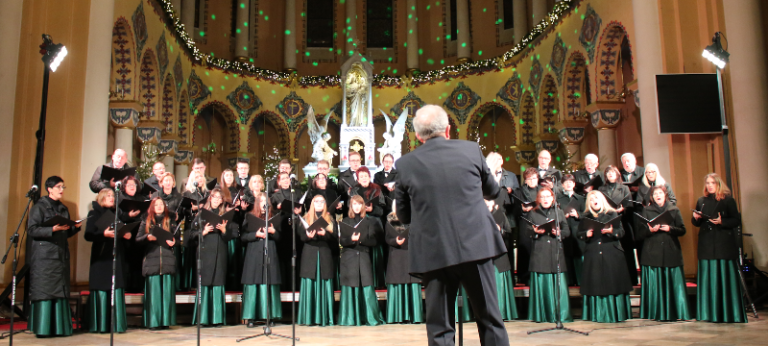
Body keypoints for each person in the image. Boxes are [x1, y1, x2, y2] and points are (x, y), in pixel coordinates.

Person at [395, 105, 509, 346]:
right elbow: (493, 190)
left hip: (434, 251)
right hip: (476, 245)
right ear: (448, 129)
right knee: (489, 318)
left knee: (439, 327)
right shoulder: (470, 149)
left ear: (418, 136)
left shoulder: (406, 164)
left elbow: (404, 216)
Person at [27, 176, 82, 337]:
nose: (61, 190)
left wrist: (74, 227)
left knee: (60, 290)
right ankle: (44, 328)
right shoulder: (39, 207)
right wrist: (52, 229)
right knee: (45, 290)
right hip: (44, 256)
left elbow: (65, 232)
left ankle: (60, 327)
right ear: (49, 189)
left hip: (60, 255)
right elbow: (32, 230)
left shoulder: (63, 208)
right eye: (58, 187)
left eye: (63, 187)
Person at [692, 173, 747, 323]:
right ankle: (708, 314)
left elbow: (736, 220)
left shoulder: (728, 200)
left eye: (713, 183)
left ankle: (728, 313)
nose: (710, 185)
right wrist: (695, 218)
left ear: (718, 184)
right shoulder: (701, 200)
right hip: (706, 244)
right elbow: (696, 222)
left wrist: (722, 221)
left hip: (723, 243)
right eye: (708, 183)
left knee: (723, 277)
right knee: (708, 277)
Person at [577, 191, 633, 323]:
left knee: (612, 282)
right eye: (591, 199)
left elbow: (621, 232)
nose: (594, 200)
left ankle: (616, 313)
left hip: (611, 253)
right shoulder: (586, 217)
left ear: (602, 199)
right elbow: (579, 234)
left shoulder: (612, 214)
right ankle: (597, 314)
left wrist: (611, 231)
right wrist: (586, 234)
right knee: (595, 282)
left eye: (596, 197)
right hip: (593, 253)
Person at [637, 185, 690, 321]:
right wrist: (650, 230)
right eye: (655, 194)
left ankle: (676, 312)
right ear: (652, 197)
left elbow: (682, 230)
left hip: (670, 251)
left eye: (660, 193)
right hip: (652, 253)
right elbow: (639, 233)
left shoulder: (673, 209)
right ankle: (655, 313)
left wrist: (669, 228)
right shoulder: (647, 210)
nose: (657, 196)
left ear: (665, 195)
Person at [187, 188, 239, 326]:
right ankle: (203, 318)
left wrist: (223, 230)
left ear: (222, 200)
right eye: (214, 197)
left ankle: (217, 318)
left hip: (220, 252)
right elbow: (191, 236)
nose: (216, 200)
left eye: (219, 198)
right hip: (204, 252)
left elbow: (230, 237)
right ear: (210, 198)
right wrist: (203, 232)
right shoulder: (201, 214)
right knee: (204, 282)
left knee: (217, 282)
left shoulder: (226, 215)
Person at [85, 189, 132, 333]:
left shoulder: (115, 215)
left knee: (116, 285)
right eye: (109, 196)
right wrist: (103, 234)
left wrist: (126, 235)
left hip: (115, 255)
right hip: (101, 257)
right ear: (102, 198)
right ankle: (100, 325)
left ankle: (116, 324)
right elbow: (88, 235)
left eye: (113, 196)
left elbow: (125, 234)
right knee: (102, 286)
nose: (112, 198)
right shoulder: (94, 213)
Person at [526, 187, 573, 323]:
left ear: (553, 198)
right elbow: (527, 232)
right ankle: (543, 315)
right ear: (538, 199)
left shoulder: (558, 212)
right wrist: (535, 232)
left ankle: (560, 315)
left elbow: (566, 231)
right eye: (543, 197)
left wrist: (559, 233)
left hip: (555, 252)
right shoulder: (533, 213)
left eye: (548, 196)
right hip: (540, 253)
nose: (546, 199)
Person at [339, 195, 385, 326]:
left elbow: (374, 241)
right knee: (350, 286)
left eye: (359, 204)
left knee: (366, 285)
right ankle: (349, 318)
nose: (357, 207)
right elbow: (342, 241)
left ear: (363, 206)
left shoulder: (369, 221)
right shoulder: (346, 221)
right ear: (351, 206)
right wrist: (351, 240)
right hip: (349, 257)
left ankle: (370, 317)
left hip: (364, 256)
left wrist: (360, 240)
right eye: (354, 204)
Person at [241, 192, 282, 327]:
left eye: (266, 201)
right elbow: (243, 237)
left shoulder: (273, 217)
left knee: (268, 280)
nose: (264, 203)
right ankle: (251, 317)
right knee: (254, 281)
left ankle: (270, 316)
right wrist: (255, 234)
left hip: (269, 250)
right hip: (254, 252)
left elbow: (280, 238)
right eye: (261, 201)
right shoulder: (249, 216)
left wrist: (273, 232)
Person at [137, 198, 178, 329]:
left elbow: (177, 237)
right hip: (152, 260)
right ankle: (153, 322)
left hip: (167, 260)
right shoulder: (146, 221)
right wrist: (147, 237)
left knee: (166, 294)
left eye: (161, 204)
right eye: (156, 204)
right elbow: (138, 239)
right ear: (152, 207)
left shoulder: (170, 221)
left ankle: (165, 321)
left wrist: (174, 242)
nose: (159, 206)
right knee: (154, 294)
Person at [297, 194, 337, 326]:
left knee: (324, 282)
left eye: (322, 201)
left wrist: (325, 234)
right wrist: (308, 236)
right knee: (309, 281)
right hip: (309, 254)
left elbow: (336, 239)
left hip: (325, 253)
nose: (319, 203)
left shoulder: (330, 219)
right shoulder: (304, 218)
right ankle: (308, 317)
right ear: (312, 204)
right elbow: (300, 237)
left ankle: (326, 317)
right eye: (316, 201)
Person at [599, 165, 639, 285]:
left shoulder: (624, 188)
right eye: (608, 173)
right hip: (607, 221)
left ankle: (630, 279)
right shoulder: (601, 189)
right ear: (605, 176)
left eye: (612, 172)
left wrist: (623, 209)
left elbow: (630, 206)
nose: (610, 174)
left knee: (625, 251)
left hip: (622, 221)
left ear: (617, 174)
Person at [351, 166, 387, 288]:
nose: (364, 178)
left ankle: (378, 284)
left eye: (366, 176)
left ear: (369, 176)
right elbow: (350, 209)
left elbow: (382, 210)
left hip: (374, 226)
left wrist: (372, 209)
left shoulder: (377, 189)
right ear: (357, 178)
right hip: (360, 225)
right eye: (361, 176)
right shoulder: (354, 191)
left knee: (376, 257)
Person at [485, 198, 518, 321]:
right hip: (484, 254)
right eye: (484, 201)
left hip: (499, 254)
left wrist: (500, 230)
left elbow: (509, 232)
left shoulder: (500, 214)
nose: (487, 204)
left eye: (489, 201)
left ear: (493, 203)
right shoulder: (477, 214)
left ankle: (502, 312)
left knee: (500, 283)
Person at [150, 172, 184, 291]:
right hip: (158, 226)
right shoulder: (156, 195)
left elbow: (182, 213)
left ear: (173, 183)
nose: (168, 182)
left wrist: (178, 216)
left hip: (172, 227)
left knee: (174, 253)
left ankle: (176, 284)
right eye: (166, 180)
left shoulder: (179, 197)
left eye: (170, 180)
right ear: (161, 182)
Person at [270, 172, 303, 291]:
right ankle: (284, 288)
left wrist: (300, 210)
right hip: (282, 228)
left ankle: (296, 287)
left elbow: (302, 207)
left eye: (287, 178)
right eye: (283, 179)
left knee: (296, 256)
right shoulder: (275, 196)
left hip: (295, 228)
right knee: (283, 258)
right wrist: (278, 208)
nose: (285, 180)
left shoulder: (297, 193)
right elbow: (271, 211)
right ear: (278, 182)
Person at [117, 175, 147, 293]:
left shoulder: (140, 198)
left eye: (134, 185)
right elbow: (118, 216)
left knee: (138, 260)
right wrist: (129, 216)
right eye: (129, 185)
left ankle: (138, 286)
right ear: (124, 187)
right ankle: (127, 286)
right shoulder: (120, 198)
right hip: (126, 234)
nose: (132, 187)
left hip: (139, 232)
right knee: (127, 261)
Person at [556, 174, 585, 286]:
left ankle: (580, 282)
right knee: (566, 256)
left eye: (571, 182)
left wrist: (578, 214)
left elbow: (587, 214)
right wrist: (563, 215)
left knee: (578, 256)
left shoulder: (581, 198)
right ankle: (568, 282)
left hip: (578, 230)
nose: (568, 184)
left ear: (574, 184)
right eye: (566, 182)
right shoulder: (558, 198)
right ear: (562, 184)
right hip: (565, 230)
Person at [513, 167, 540, 284]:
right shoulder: (519, 192)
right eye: (529, 179)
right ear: (525, 180)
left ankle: (539, 274)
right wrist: (523, 209)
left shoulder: (543, 191)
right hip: (525, 222)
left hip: (540, 221)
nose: (532, 181)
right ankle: (525, 276)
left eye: (534, 178)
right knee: (526, 248)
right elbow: (514, 210)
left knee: (539, 248)